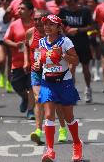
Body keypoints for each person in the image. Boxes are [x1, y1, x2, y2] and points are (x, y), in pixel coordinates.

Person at [36, 14, 82, 162]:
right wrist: (37, 64)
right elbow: (38, 60)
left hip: (64, 82)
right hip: (47, 82)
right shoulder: (41, 42)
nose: (47, 27)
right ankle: (50, 151)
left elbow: (76, 60)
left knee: (69, 117)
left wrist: (62, 55)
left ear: (58, 27)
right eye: (46, 24)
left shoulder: (65, 41)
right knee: (49, 115)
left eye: (51, 24)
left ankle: (76, 144)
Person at [24, 10, 68, 145]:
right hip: (36, 71)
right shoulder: (30, 32)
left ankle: (62, 128)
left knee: (57, 102)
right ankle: (38, 130)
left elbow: (66, 52)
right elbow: (26, 46)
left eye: (39, 20)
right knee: (38, 99)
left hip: (53, 71)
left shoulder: (56, 36)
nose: (37, 22)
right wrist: (27, 61)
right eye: (35, 19)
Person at [58, 0, 93, 103]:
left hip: (83, 43)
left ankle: (88, 88)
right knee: (70, 68)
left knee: (85, 68)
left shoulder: (85, 11)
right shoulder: (63, 11)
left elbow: (92, 26)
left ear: (76, 1)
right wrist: (65, 31)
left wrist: (77, 30)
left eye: (70, 2)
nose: (68, 4)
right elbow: (58, 24)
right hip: (69, 44)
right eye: (67, 2)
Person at [3, 1, 35, 119]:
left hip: (33, 62)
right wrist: (16, 45)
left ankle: (31, 111)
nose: (18, 11)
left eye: (22, 9)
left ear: (30, 11)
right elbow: (5, 39)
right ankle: (25, 98)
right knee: (15, 84)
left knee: (31, 86)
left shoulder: (35, 25)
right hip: (17, 62)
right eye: (18, 9)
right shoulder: (14, 24)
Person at [0, 0, 13, 93]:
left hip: (10, 37)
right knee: (1, 60)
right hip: (0, 36)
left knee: (10, 62)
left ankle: (9, 83)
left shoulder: (13, 11)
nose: (5, 1)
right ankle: (2, 75)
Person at [87, 0, 101, 82]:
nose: (90, 4)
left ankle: (97, 73)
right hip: (87, 35)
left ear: (95, 3)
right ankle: (91, 71)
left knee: (97, 54)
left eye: (91, 2)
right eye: (88, 2)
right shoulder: (86, 11)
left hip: (96, 34)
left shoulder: (97, 11)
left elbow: (99, 23)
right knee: (90, 54)